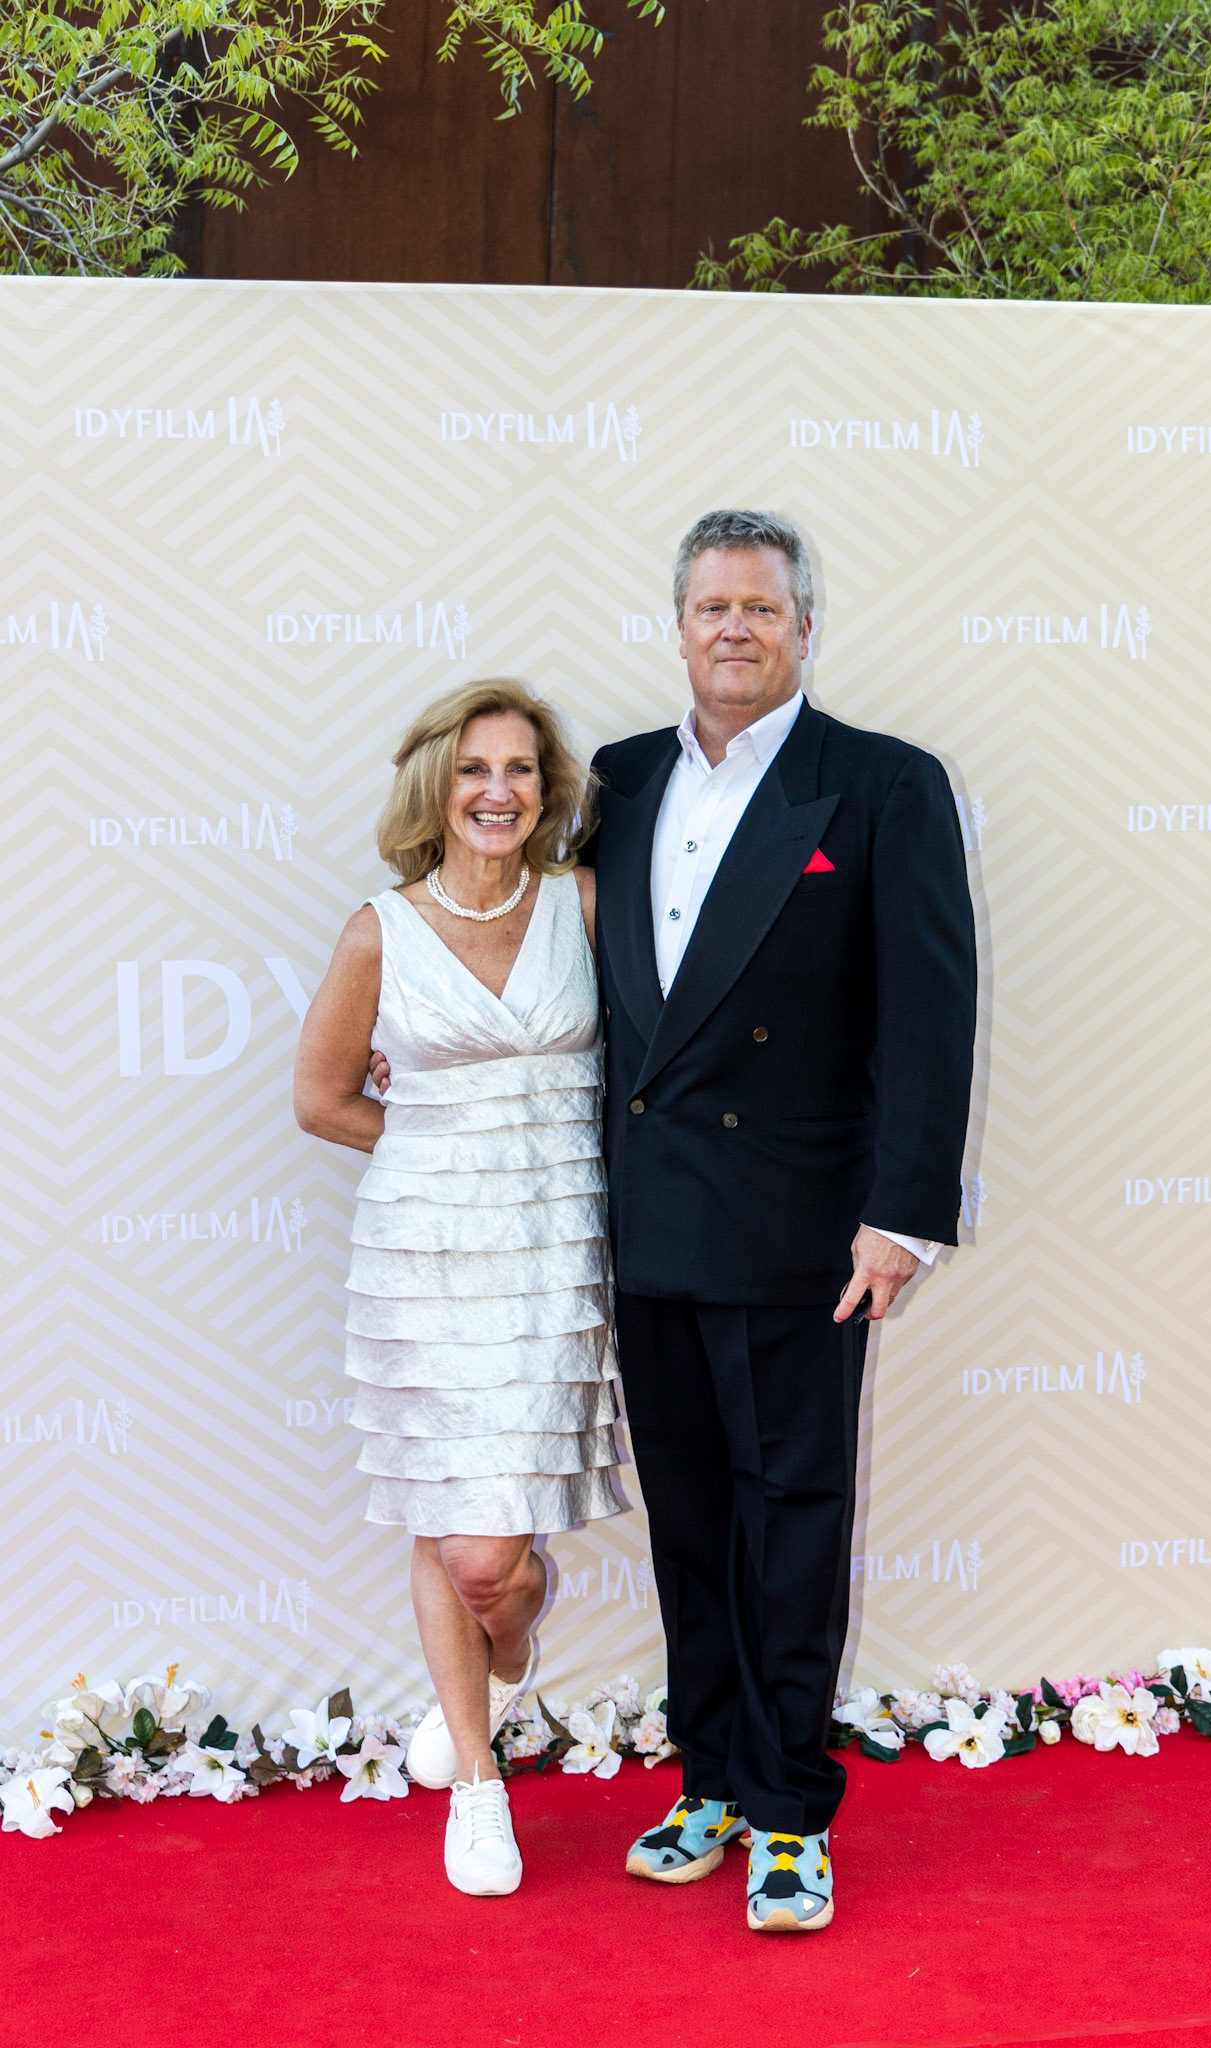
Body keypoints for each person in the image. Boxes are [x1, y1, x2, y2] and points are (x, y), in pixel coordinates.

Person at [588, 508, 976, 1932]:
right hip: (649, 1219)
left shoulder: (880, 782)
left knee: (793, 1523)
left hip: (804, 1227)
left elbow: (931, 1010)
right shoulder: (618, 778)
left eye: (762, 607)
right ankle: (710, 1777)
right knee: (691, 1521)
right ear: (679, 627)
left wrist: (903, 1217)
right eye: (713, 607)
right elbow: (569, 970)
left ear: (806, 627)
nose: (736, 629)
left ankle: (792, 1809)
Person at [295, 681, 620, 1900]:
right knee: (454, 1527)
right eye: (475, 768)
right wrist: (446, 1153)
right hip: (425, 1258)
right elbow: (322, 1098)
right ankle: (479, 1785)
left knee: (499, 1563)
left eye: (521, 769)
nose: (498, 790)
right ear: (436, 787)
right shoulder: (378, 931)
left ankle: (507, 1654)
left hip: (558, 1254)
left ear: (547, 790)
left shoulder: (584, 904)